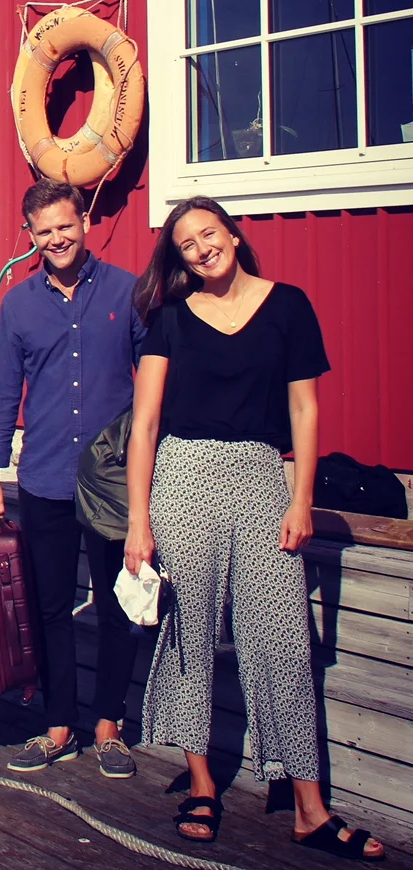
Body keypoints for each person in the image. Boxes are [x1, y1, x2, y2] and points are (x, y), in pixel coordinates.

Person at [124, 197, 383, 860]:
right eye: (186, 242)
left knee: (285, 643)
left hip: (264, 478)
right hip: (184, 476)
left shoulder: (289, 306)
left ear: (233, 235)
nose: (202, 247)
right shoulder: (170, 320)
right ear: (177, 257)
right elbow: (146, 424)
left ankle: (309, 806)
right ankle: (203, 784)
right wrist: (138, 520)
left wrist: (300, 498)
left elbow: (305, 406)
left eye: (209, 233)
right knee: (192, 634)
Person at [0, 180, 147, 778]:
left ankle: (108, 726)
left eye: (65, 226)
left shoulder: (129, 292)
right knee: (48, 606)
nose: (56, 238)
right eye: (43, 230)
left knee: (116, 605)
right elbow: (2, 393)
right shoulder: (19, 303)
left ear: (85, 222)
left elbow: (154, 389)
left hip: (113, 483)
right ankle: (57, 726)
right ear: (30, 235)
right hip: (45, 477)